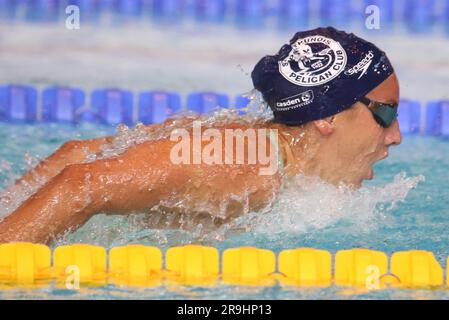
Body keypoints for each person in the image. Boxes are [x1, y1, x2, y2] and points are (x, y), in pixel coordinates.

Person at [0, 27, 402, 244]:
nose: (396, 136)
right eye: (386, 114)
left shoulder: (256, 144)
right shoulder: (245, 169)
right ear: (327, 117)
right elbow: (81, 185)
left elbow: (77, 153)